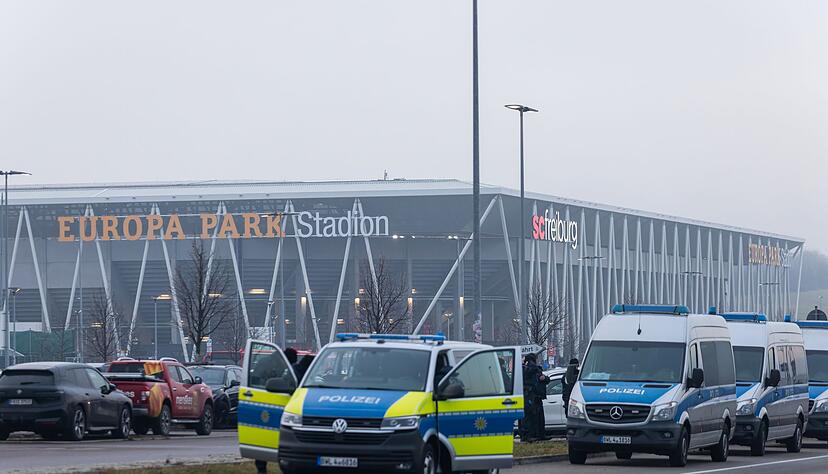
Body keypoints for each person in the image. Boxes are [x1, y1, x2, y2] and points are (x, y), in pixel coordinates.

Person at [520, 353, 549, 442]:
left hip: (537, 396)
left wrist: (544, 378)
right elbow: (528, 373)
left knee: (539, 417)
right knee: (529, 417)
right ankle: (528, 435)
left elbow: (546, 379)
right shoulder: (525, 369)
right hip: (529, 396)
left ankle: (540, 434)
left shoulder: (536, 369)